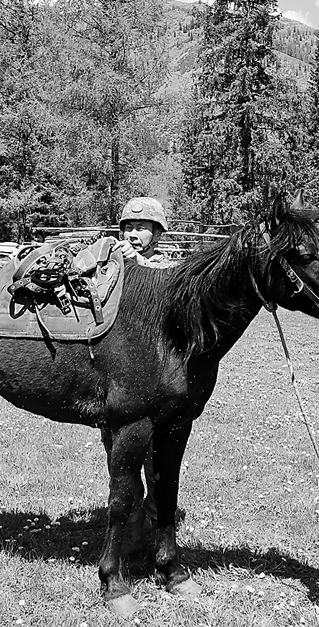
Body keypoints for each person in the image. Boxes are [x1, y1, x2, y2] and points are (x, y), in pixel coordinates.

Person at [114, 197, 179, 555]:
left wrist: (137, 264)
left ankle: (157, 527)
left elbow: (167, 289)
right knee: (122, 457)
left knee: (157, 461)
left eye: (141, 228)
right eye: (128, 227)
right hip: (124, 374)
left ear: (158, 234)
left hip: (159, 379)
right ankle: (130, 525)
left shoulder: (169, 266)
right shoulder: (114, 262)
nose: (133, 233)